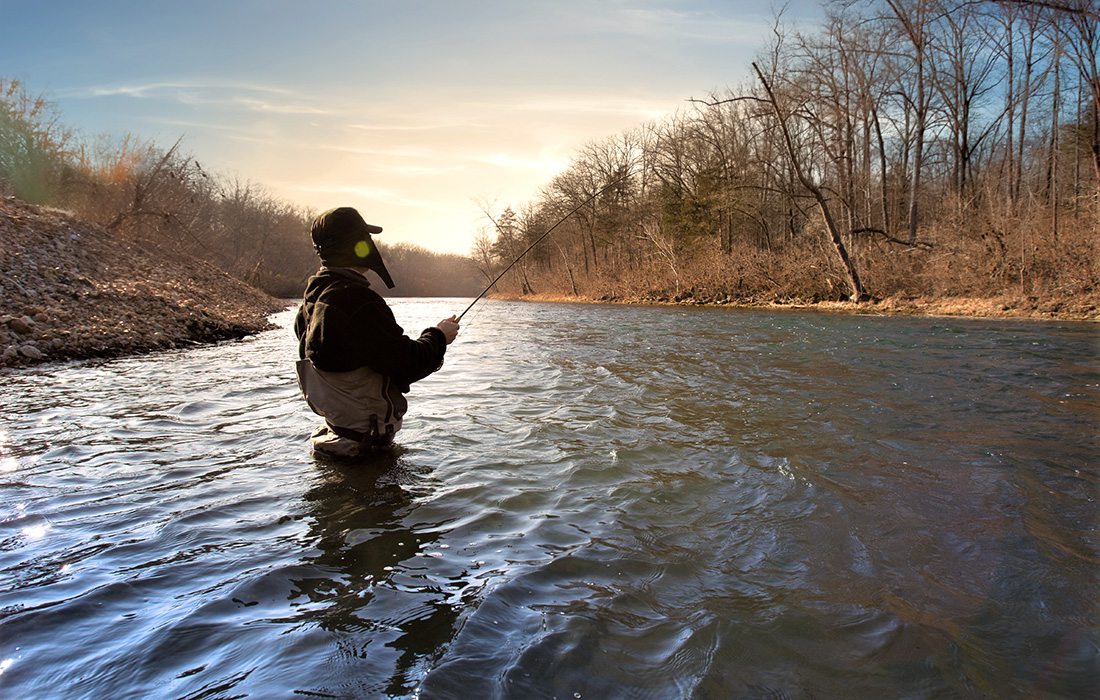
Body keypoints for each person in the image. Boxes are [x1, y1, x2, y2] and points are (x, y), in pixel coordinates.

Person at [294, 206, 459, 457]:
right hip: (364, 451)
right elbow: (407, 363)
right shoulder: (356, 301)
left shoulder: (312, 300)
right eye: (365, 239)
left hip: (333, 439)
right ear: (358, 244)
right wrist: (439, 336)